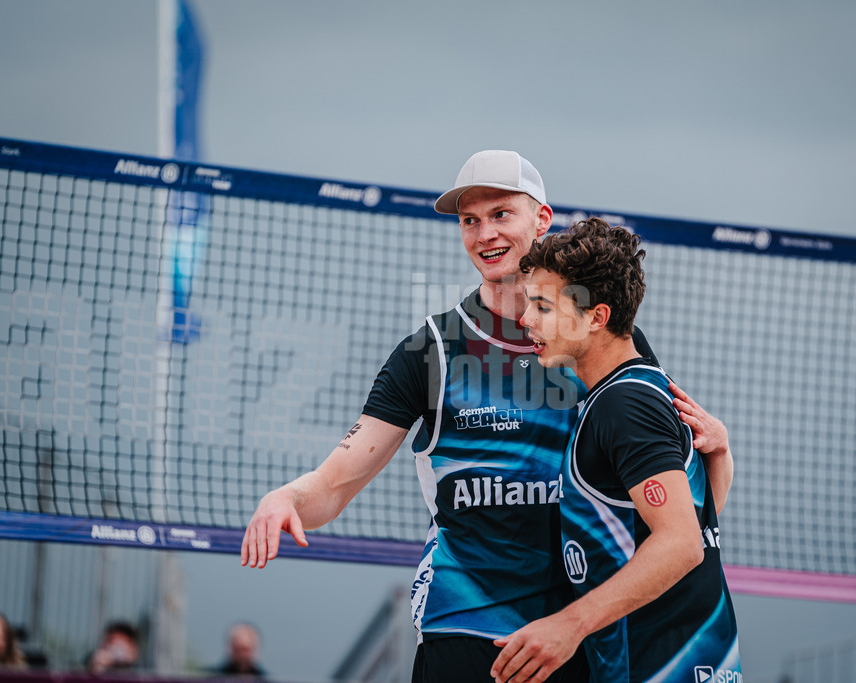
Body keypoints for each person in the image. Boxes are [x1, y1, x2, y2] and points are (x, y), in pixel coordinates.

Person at [241, 150, 733, 682]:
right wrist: (287, 497)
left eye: (501, 214)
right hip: (469, 621)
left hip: (578, 630)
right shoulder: (430, 351)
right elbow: (335, 484)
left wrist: (721, 450)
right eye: (469, 220)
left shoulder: (602, 344)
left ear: (542, 220)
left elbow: (677, 513)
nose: (484, 234)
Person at [492, 218, 740, 682]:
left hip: (660, 667)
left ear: (596, 317)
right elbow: (697, 520)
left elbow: (682, 543)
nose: (526, 320)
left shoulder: (624, 405)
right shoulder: (637, 389)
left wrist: (568, 626)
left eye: (543, 306)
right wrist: (720, 454)